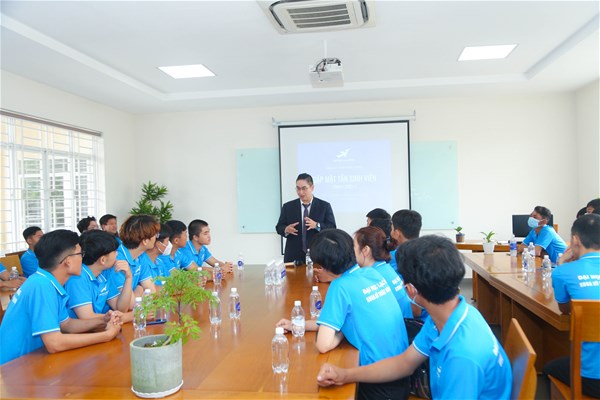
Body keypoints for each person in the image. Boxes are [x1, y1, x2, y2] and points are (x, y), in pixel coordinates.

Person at [316, 235, 512, 400]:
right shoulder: (447, 317)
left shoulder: (463, 357)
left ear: (411, 289)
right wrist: (344, 375)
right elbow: (404, 363)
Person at [278, 229, 409, 400]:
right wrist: (298, 325)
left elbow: (323, 344)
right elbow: (333, 320)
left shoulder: (340, 287)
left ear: (323, 266)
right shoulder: (371, 273)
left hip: (378, 384)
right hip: (401, 373)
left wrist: (341, 331)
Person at [0, 229, 122, 365]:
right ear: (68, 261)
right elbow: (54, 343)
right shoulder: (42, 285)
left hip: (34, 360)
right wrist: (105, 336)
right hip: (13, 367)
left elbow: (66, 325)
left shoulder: (48, 281)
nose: (83, 258)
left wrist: (102, 320)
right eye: (80, 254)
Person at [543, 214, 600, 397]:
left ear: (575, 240)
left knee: (548, 369)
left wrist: (560, 264)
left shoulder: (564, 271)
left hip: (592, 378)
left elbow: (566, 309)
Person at [64, 230, 133, 321]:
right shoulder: (77, 277)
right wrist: (130, 316)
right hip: (82, 329)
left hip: (99, 327)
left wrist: (128, 278)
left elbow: (120, 308)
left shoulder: (104, 272)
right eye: (114, 251)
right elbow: (87, 317)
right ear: (103, 260)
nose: (117, 254)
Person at [276, 173, 336, 264]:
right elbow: (279, 227)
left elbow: (332, 227)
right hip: (293, 256)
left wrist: (317, 225)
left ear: (312, 188)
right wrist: (286, 229)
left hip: (318, 255)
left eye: (304, 188)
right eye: (298, 188)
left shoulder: (324, 206)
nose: (300, 192)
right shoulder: (288, 207)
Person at [355, 225, 413, 319]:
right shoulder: (385, 267)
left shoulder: (372, 275)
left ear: (365, 250)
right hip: (404, 322)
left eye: (354, 246)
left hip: (400, 323)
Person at [108, 215, 158, 306]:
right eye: (155, 235)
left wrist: (138, 293)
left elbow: (152, 291)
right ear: (145, 241)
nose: (156, 238)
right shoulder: (117, 260)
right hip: (111, 313)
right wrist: (140, 289)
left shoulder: (141, 256)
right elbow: (130, 304)